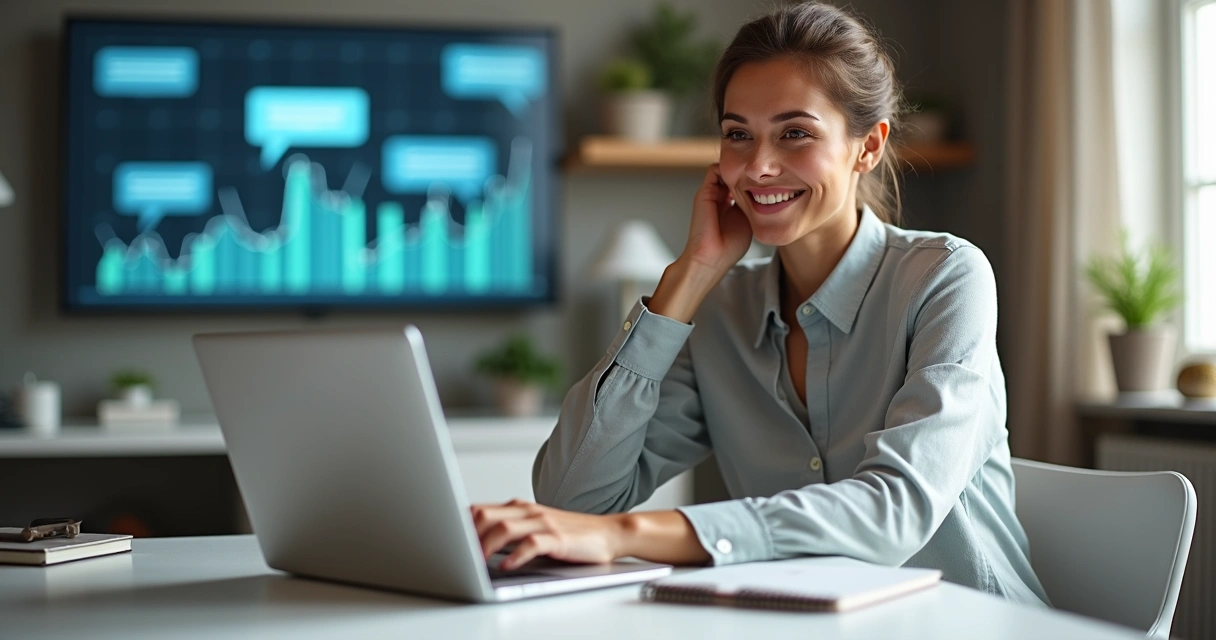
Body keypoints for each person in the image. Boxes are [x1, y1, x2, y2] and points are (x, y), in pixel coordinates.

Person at [471, 1, 1049, 606]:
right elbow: (571, 499)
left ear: (868, 146)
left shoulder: (945, 278)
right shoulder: (722, 310)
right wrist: (687, 281)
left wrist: (629, 534)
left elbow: (894, 510)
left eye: (795, 133)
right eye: (737, 135)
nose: (759, 166)